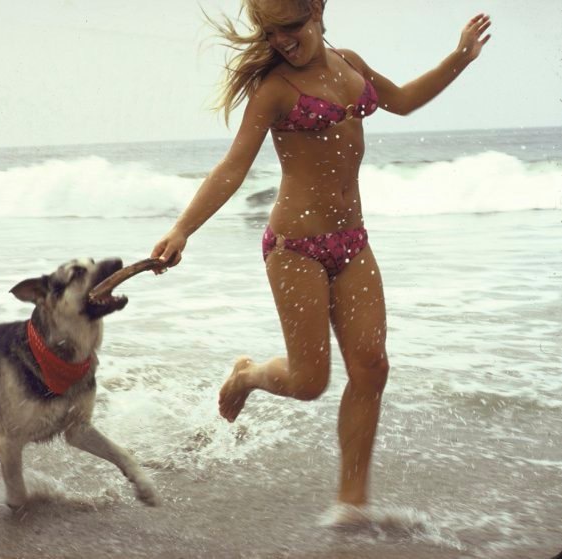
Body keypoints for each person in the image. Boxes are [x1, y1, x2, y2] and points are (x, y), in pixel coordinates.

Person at [150, 0, 491, 511]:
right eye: (270, 33)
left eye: (290, 27)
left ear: (317, 9)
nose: (282, 41)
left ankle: (352, 503)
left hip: (352, 243)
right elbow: (232, 167)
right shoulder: (274, 90)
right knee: (310, 383)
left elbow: (402, 101)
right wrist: (182, 229)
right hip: (295, 250)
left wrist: (459, 58)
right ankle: (247, 375)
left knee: (372, 367)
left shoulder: (349, 62)